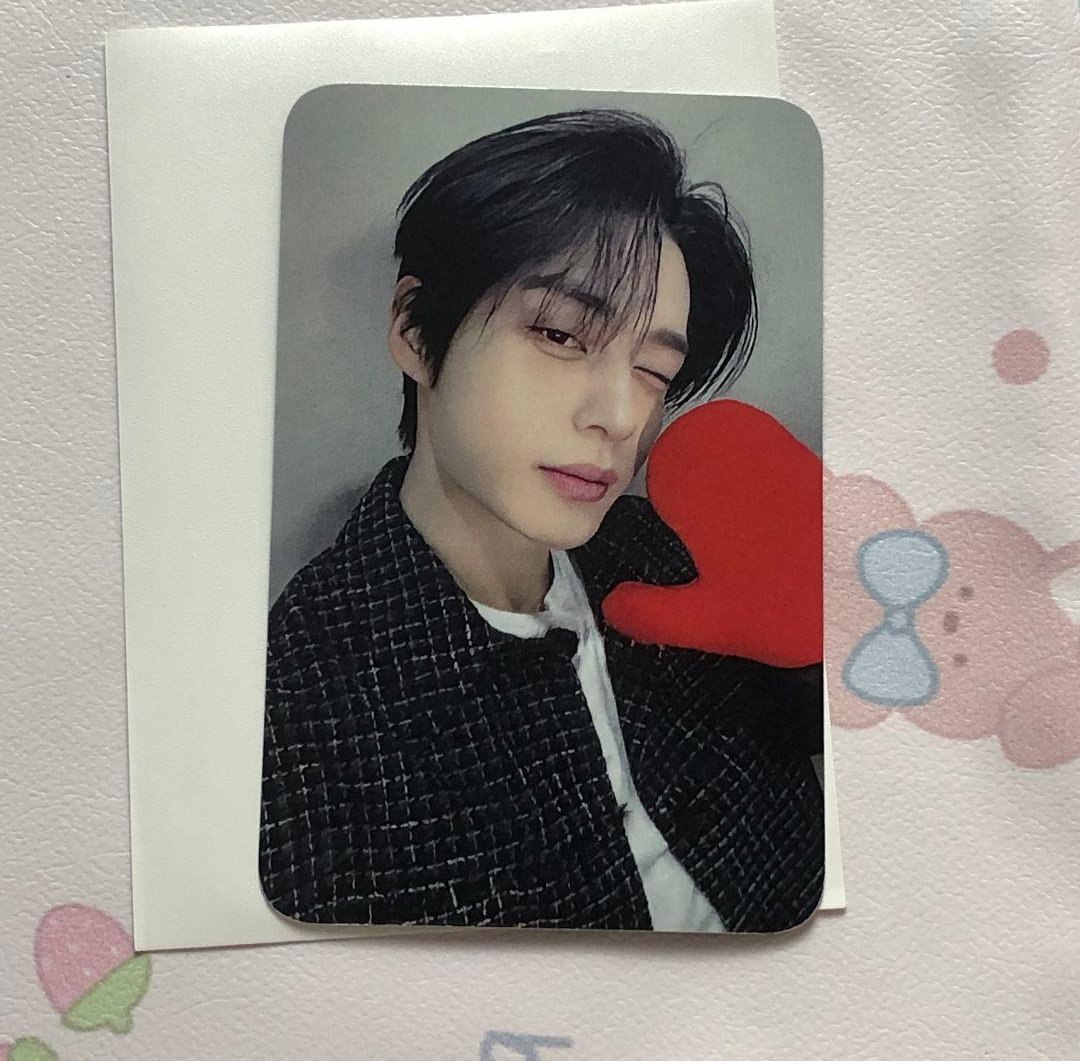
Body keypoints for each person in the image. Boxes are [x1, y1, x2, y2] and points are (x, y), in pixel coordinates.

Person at [259, 108, 824, 934]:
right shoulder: (299, 713)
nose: (621, 415)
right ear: (416, 331)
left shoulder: (669, 558)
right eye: (561, 335)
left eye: (655, 370)